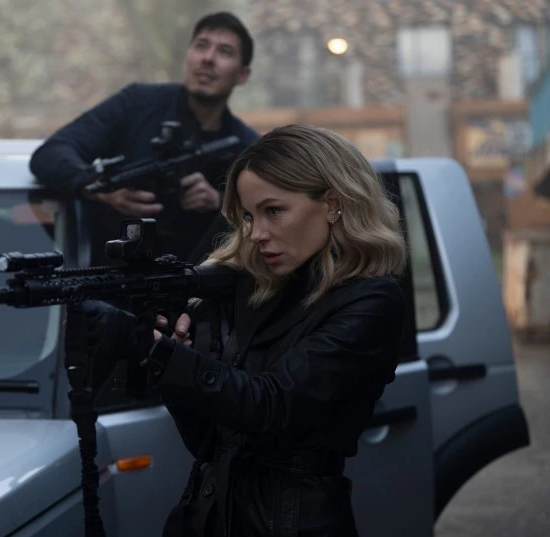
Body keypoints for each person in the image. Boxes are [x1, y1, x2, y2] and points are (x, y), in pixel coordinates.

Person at [78, 124, 409, 536]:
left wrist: (156, 349)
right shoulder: (261, 291)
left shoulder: (371, 301)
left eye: (274, 211)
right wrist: (172, 360)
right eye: (249, 216)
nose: (256, 234)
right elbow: (210, 443)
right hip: (207, 516)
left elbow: (271, 407)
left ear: (332, 204)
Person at [29, 11, 259, 266]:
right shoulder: (136, 104)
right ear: (188, 55)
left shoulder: (247, 147)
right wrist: (101, 189)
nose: (208, 58)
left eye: (224, 52)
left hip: (194, 283)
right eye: (201, 46)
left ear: (243, 74)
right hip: (110, 276)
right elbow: (50, 154)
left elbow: (263, 218)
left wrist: (219, 203)